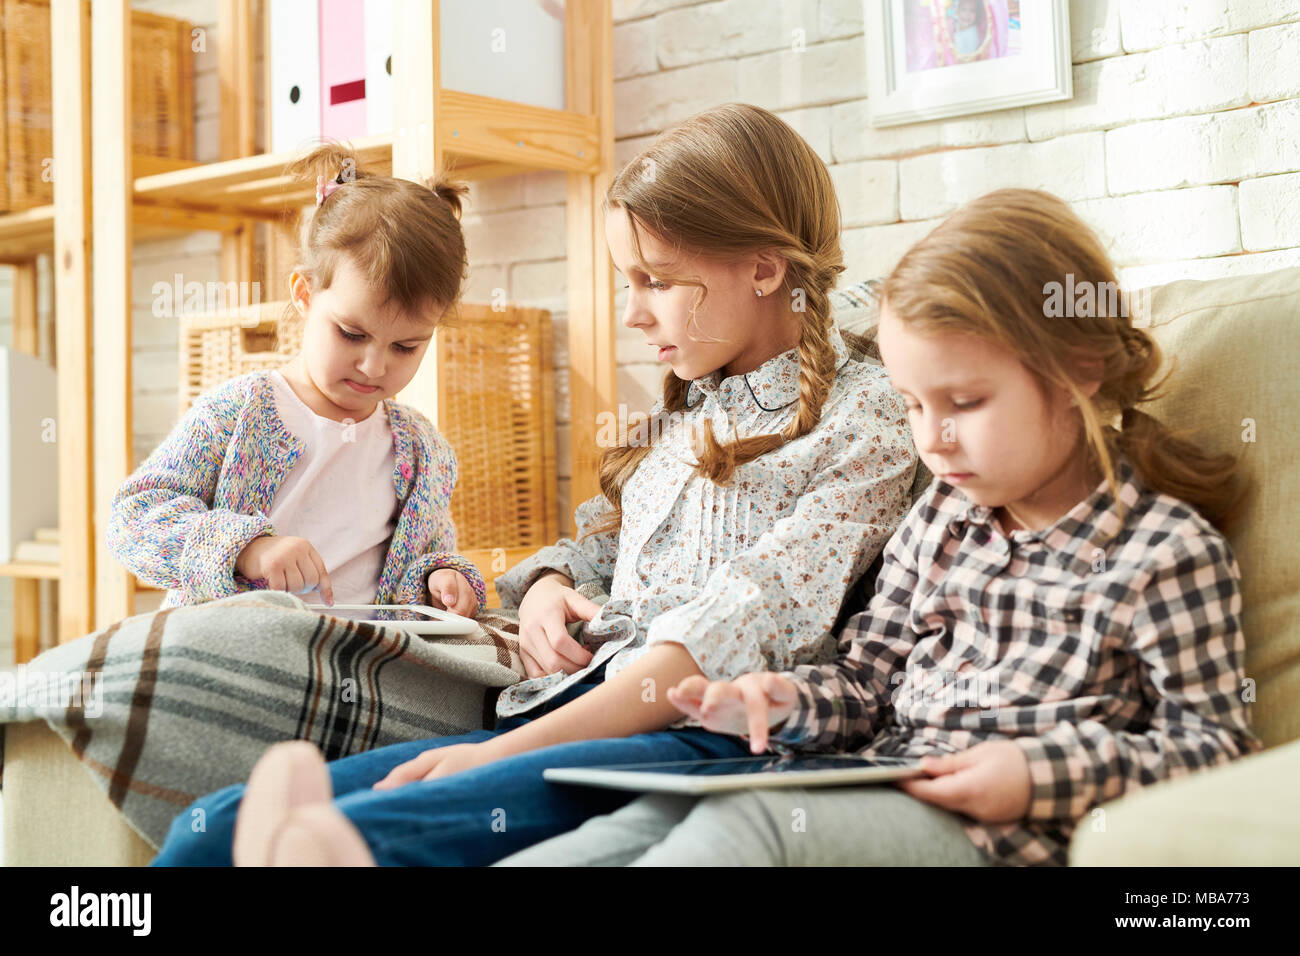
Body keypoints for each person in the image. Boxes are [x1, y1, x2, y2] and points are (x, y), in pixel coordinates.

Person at [149, 103, 917, 866]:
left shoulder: (869, 414)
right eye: (627, 280)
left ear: (762, 267)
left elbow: (748, 616)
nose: (631, 313)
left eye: (654, 281)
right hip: (571, 702)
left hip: (699, 733)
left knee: (364, 835)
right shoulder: (691, 409)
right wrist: (548, 583)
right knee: (209, 830)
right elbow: (596, 549)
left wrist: (497, 755)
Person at [496, 188, 1262, 867]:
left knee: (749, 827)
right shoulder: (942, 519)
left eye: (964, 403)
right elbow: (864, 684)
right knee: (638, 823)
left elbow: (1217, 750)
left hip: (999, 834)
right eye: (912, 404)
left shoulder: (1165, 553)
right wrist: (779, 700)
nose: (934, 440)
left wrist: (1036, 774)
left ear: (1080, 372)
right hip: (870, 778)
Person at [108, 144, 484, 616]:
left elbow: (423, 557)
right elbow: (132, 520)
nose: (374, 366)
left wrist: (440, 579)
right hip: (240, 649)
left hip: (358, 663)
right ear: (304, 294)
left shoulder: (422, 451)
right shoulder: (238, 412)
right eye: (352, 334)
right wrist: (246, 549)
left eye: (406, 347)